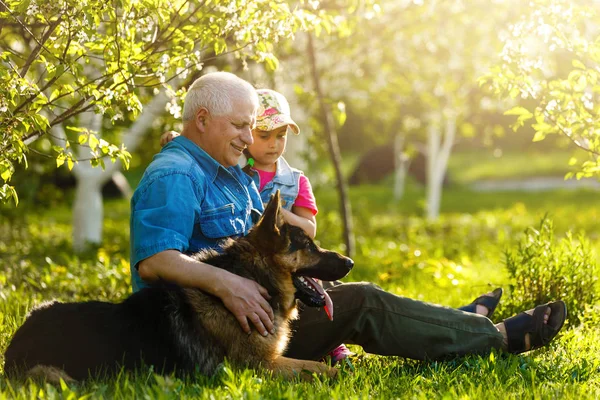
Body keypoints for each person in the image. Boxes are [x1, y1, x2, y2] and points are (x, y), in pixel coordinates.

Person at [131, 71, 566, 370]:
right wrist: (231, 284)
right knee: (365, 302)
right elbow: (154, 262)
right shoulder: (177, 174)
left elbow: (265, 246)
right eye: (240, 126)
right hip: (226, 331)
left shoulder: (226, 171)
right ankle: (499, 338)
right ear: (202, 120)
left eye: (252, 127)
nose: (248, 138)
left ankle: (458, 323)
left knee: (344, 291)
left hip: (260, 314)